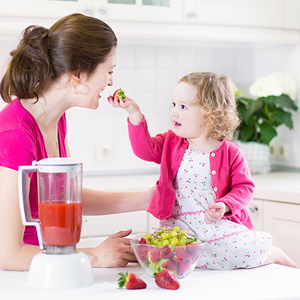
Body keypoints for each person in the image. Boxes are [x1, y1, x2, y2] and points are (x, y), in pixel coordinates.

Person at [0, 13, 154, 271]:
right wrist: (93, 255)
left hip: (53, 270)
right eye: (109, 71)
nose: (110, 81)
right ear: (79, 75)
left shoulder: (54, 119)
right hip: (21, 277)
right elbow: (9, 255)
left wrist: (144, 200)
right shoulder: (16, 132)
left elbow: (63, 197)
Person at [108, 71, 297, 269]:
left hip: (213, 227)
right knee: (160, 250)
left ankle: (275, 255)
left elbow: (244, 188)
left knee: (239, 248)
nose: (174, 112)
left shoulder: (230, 151)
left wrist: (224, 206)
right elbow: (144, 150)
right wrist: (134, 114)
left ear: (211, 113)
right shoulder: (171, 141)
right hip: (179, 226)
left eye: (183, 106)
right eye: (173, 104)